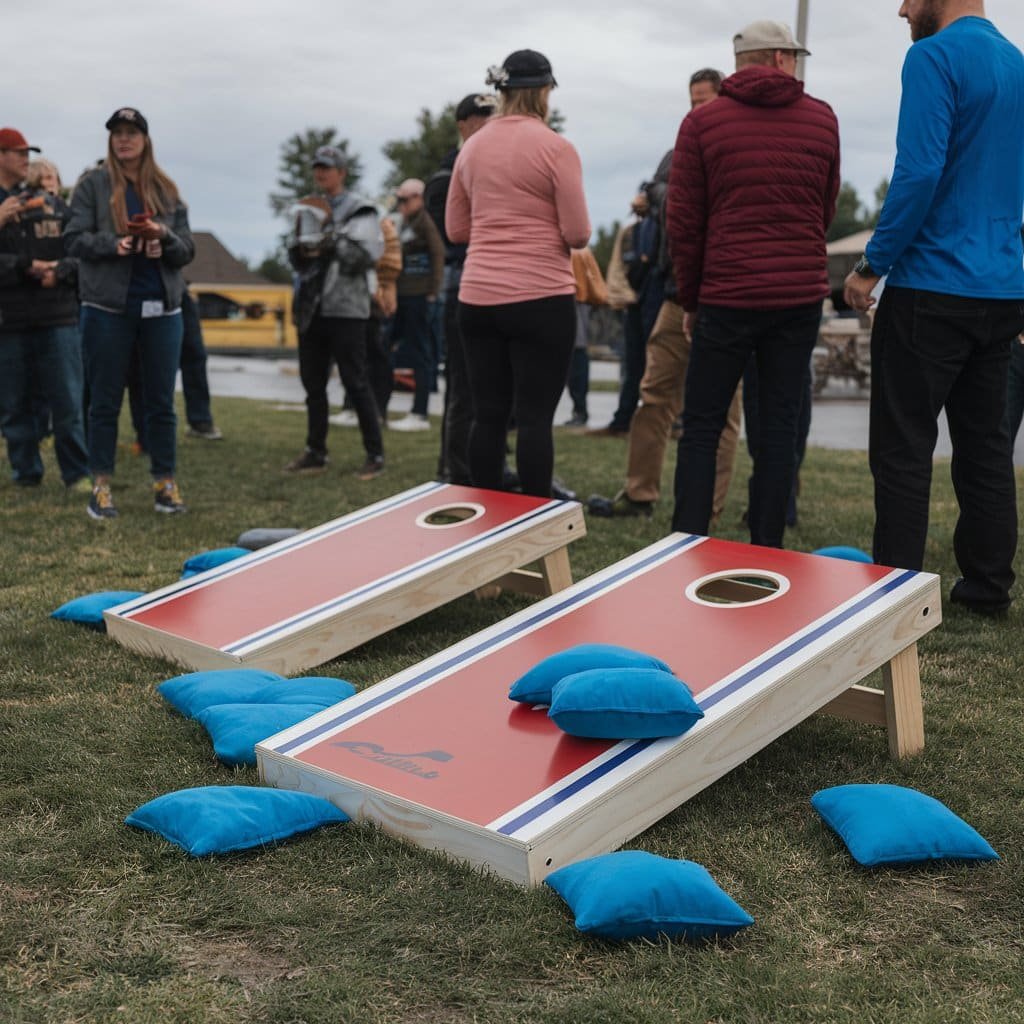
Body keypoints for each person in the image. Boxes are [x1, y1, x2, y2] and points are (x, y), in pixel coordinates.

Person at [843, 0, 1024, 617]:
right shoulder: (1016, 62)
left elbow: (917, 173)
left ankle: (895, 595)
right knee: (986, 446)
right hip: (1002, 288)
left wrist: (871, 265)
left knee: (902, 448)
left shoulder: (932, 57)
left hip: (932, 285)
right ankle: (987, 589)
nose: (901, 9)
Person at [669, 23, 839, 547]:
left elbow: (684, 222)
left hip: (727, 294)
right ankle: (768, 547)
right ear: (782, 60)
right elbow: (825, 207)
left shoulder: (702, 123)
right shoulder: (822, 119)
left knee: (701, 425)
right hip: (797, 296)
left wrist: (691, 298)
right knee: (780, 426)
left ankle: (687, 540)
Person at [588, 69, 741, 522]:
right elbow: (665, 199)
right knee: (653, 395)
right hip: (674, 294)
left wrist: (660, 194)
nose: (697, 110)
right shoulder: (677, 151)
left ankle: (708, 511)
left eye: (706, 101)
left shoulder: (731, 148)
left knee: (722, 409)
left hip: (720, 297)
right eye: (692, 102)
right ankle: (639, 494)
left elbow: (671, 199)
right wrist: (660, 194)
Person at [446, 49, 591, 498]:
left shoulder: (472, 148)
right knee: (533, 419)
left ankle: (486, 518)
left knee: (487, 415)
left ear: (502, 92)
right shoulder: (556, 148)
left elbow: (456, 229)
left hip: (479, 297)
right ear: (544, 93)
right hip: (541, 297)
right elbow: (579, 232)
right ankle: (530, 521)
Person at [65, 108, 195, 518]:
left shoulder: (167, 189)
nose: (124, 139)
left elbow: (187, 250)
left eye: (131, 133)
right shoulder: (92, 185)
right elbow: (73, 238)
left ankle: (165, 482)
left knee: (160, 403)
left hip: (162, 308)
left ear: (145, 139)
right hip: (107, 308)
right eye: (118, 133)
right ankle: (100, 485)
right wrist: (115, 244)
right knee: (104, 401)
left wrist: (164, 238)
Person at [285, 145, 385, 479]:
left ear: (341, 172)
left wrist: (333, 237)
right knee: (313, 384)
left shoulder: (362, 210)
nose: (321, 173)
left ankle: (375, 454)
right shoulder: (306, 209)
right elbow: (296, 259)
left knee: (356, 381)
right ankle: (315, 450)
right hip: (311, 307)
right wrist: (301, 249)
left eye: (327, 168)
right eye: (317, 167)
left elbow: (367, 257)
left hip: (347, 308)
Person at [0, 128, 89, 491]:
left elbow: (79, 249)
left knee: (67, 400)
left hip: (57, 315)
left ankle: (77, 473)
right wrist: (23, 265)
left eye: (27, 153)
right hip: (10, 318)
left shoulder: (53, 205)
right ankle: (25, 473)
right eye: (19, 153)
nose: (26, 159)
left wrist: (60, 271)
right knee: (15, 405)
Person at [426, 93, 495, 484]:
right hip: (461, 286)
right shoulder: (445, 178)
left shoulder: (493, 167)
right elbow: (450, 240)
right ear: (462, 124)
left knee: (490, 388)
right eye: (479, 117)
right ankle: (454, 469)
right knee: (463, 386)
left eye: (491, 116)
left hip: (490, 286)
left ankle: (485, 466)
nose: (487, 124)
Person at [389, 178, 445, 432]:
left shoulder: (425, 221)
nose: (401, 204)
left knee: (420, 353)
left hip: (420, 296)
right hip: (402, 294)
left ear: (418, 198)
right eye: (399, 200)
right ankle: (379, 406)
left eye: (405, 199)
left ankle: (420, 412)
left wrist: (433, 292)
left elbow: (437, 254)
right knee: (388, 346)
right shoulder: (404, 224)